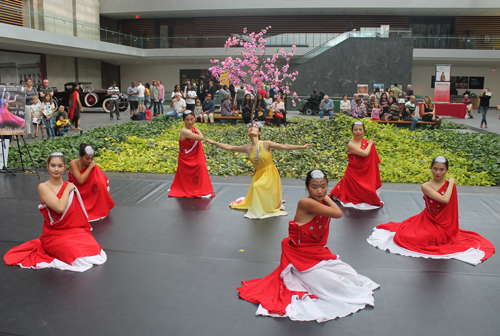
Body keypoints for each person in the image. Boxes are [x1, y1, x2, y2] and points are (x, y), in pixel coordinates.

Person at [237, 169, 380, 322]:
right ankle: (297, 275)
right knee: (335, 286)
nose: (319, 191)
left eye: (323, 186)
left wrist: (326, 197)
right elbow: (337, 213)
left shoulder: (321, 201)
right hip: (299, 257)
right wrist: (327, 196)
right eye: (314, 187)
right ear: (307, 187)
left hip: (317, 253)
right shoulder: (306, 202)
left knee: (353, 278)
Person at [367, 156, 495, 265]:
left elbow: (451, 207)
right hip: (429, 219)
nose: (438, 172)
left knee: (429, 239)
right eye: (435, 169)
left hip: (444, 223)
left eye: (442, 169)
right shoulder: (426, 186)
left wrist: (450, 184)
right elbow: (444, 200)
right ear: (431, 168)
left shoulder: (449, 185)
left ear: (446, 170)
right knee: (408, 236)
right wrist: (451, 183)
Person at [3, 152, 107, 272]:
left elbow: (76, 214)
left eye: (59, 166)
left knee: (94, 249)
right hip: (53, 235)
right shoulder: (43, 187)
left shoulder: (68, 185)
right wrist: (68, 189)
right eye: (53, 165)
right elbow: (60, 208)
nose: (56, 169)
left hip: (72, 231)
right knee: (77, 256)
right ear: (47, 166)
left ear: (64, 167)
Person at [204, 124, 314, 219]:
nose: (251, 128)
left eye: (255, 127)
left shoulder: (266, 144)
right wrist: (212, 142)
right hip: (259, 173)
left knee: (257, 186)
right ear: (247, 133)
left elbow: (284, 146)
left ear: (259, 132)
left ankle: (260, 210)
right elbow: (229, 147)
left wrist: (301, 147)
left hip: (269, 172)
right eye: (250, 127)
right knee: (256, 186)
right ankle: (262, 204)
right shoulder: (246, 148)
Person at [330, 121, 383, 210]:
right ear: (352, 131)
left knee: (368, 190)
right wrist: (370, 144)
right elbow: (365, 154)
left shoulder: (365, 142)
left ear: (364, 131)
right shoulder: (351, 145)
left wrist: (369, 144)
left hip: (364, 171)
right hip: (354, 172)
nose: (358, 132)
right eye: (355, 130)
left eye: (360, 129)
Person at [169, 112, 214, 198]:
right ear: (184, 120)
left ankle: (200, 188)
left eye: (192, 119)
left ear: (195, 118)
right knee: (200, 166)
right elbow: (201, 138)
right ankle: (195, 189)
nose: (190, 122)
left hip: (193, 156)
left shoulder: (192, 129)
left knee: (201, 166)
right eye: (187, 120)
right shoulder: (184, 131)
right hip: (186, 158)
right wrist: (199, 131)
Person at [68, 144, 115, 221]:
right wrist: (89, 167)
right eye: (87, 158)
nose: (89, 161)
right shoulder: (74, 163)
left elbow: (100, 182)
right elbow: (80, 180)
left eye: (91, 158)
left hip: (89, 192)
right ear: (80, 156)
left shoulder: (93, 166)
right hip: (77, 192)